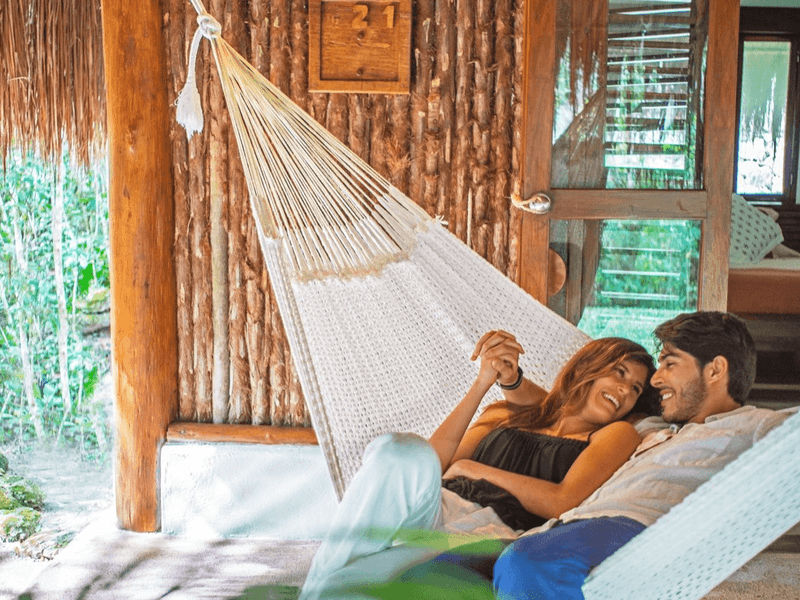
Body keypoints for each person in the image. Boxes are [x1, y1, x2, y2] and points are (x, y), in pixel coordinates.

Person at [413, 311, 790, 600]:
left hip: (638, 527)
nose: (657, 380)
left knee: (529, 564)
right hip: (561, 528)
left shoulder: (751, 425)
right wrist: (510, 381)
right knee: (434, 574)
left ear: (717, 369)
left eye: (669, 364)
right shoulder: (652, 426)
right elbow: (559, 411)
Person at [298, 332, 660, 600]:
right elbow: (436, 461)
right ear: (588, 368)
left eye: (636, 388)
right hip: (436, 505)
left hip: (488, 530)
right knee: (399, 452)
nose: (626, 389)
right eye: (620, 372)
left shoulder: (616, 434)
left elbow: (561, 502)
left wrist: (478, 469)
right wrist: (483, 383)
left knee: (342, 589)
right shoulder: (505, 412)